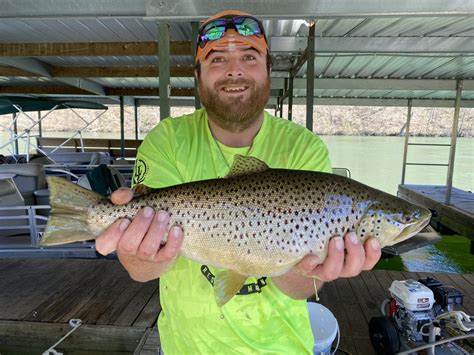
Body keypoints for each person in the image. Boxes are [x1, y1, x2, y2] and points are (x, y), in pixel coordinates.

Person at [96, 10, 381, 354]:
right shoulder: (166, 141)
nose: (235, 69)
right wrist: (136, 250)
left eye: (249, 56)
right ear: (197, 76)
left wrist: (315, 269)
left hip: (282, 347)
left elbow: (298, 288)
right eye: (218, 59)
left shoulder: (303, 147)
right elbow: (142, 271)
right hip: (187, 347)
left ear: (267, 71)